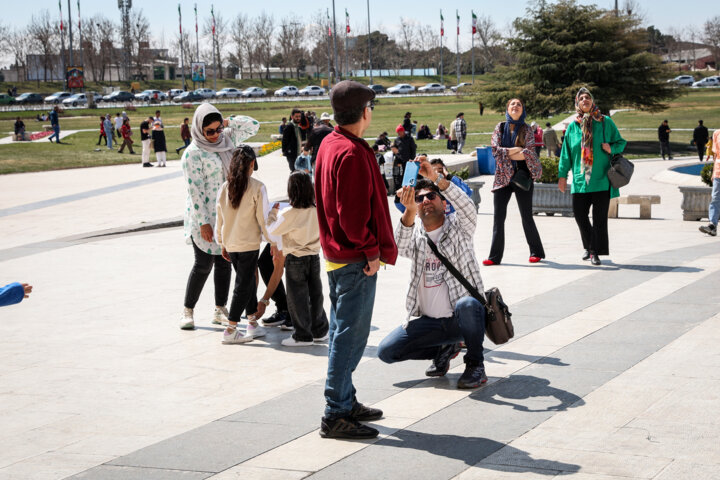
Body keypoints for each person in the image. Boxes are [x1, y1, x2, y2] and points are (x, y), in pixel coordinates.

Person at [315, 80, 398, 439]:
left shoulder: (331, 143)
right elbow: (349, 215)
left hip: (339, 256)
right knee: (349, 337)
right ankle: (335, 412)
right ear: (364, 112)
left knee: (341, 332)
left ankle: (346, 401)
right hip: (354, 259)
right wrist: (370, 250)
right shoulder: (349, 152)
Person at [378, 168, 488, 388]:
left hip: (462, 319)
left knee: (467, 304)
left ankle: (475, 364)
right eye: (419, 199)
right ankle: (444, 349)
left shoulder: (460, 228)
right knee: (386, 352)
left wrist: (437, 178)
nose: (425, 200)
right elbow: (399, 246)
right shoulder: (416, 235)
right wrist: (408, 210)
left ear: (444, 203)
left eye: (431, 196)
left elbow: (467, 206)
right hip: (430, 324)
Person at [179, 103, 260, 330]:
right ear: (198, 130)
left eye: (217, 129)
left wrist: (227, 123)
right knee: (203, 264)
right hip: (203, 216)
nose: (215, 135)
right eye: (209, 132)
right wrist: (204, 222)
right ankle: (188, 310)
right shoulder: (192, 154)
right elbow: (194, 191)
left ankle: (219, 309)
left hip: (227, 214)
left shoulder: (227, 140)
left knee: (224, 263)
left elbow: (254, 125)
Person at [215, 146, 278, 344]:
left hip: (231, 243)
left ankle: (252, 321)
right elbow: (263, 218)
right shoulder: (257, 187)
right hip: (249, 243)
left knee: (247, 280)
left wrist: (222, 242)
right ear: (251, 164)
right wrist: (273, 240)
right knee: (243, 284)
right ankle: (231, 328)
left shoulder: (225, 187)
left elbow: (219, 218)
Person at [558, 87, 627, 266]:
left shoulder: (605, 122)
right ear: (577, 103)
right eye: (581, 98)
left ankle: (594, 251)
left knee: (599, 219)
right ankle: (589, 246)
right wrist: (562, 175)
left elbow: (621, 142)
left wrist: (612, 148)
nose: (585, 100)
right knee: (579, 215)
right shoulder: (573, 127)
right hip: (580, 181)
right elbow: (566, 153)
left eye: (588, 97)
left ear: (593, 101)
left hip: (601, 179)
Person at [266, 172, 329, 346]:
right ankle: (320, 330)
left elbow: (272, 230)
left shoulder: (289, 213)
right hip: (314, 257)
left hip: (296, 258)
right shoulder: (316, 210)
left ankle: (302, 335)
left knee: (297, 297)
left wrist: (272, 214)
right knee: (316, 294)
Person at [483, 98, 545, 266]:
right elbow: (495, 151)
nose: (515, 107)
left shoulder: (527, 129)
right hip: (502, 178)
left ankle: (536, 252)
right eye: (512, 104)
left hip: (522, 177)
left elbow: (529, 153)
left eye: (519, 105)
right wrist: (517, 150)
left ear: (522, 110)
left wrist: (510, 152)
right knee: (498, 218)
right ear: (507, 109)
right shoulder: (500, 127)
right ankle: (494, 257)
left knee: (526, 216)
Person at [699, 128, 720, 236]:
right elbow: (716, 155)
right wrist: (713, 172)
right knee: (715, 198)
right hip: (718, 173)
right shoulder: (717, 133)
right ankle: (712, 226)